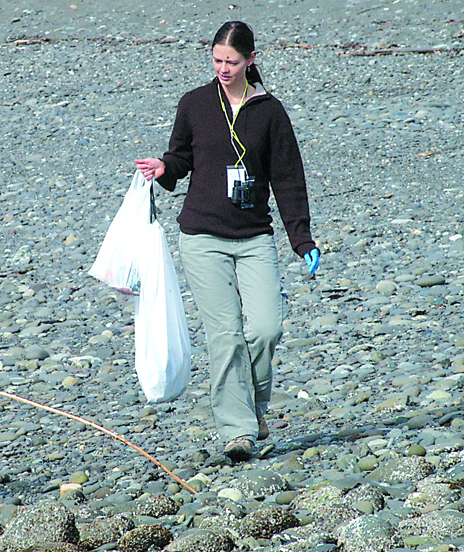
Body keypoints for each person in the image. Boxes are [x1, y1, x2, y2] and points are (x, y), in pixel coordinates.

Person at [135, 21, 320, 462]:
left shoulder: (270, 112)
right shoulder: (196, 104)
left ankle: (254, 415)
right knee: (226, 337)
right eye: (216, 59)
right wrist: (165, 168)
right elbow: (181, 155)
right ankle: (237, 431)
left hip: (254, 236)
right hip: (201, 236)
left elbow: (289, 178)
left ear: (250, 60)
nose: (222, 68)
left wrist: (302, 238)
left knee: (264, 329)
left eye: (231, 61)